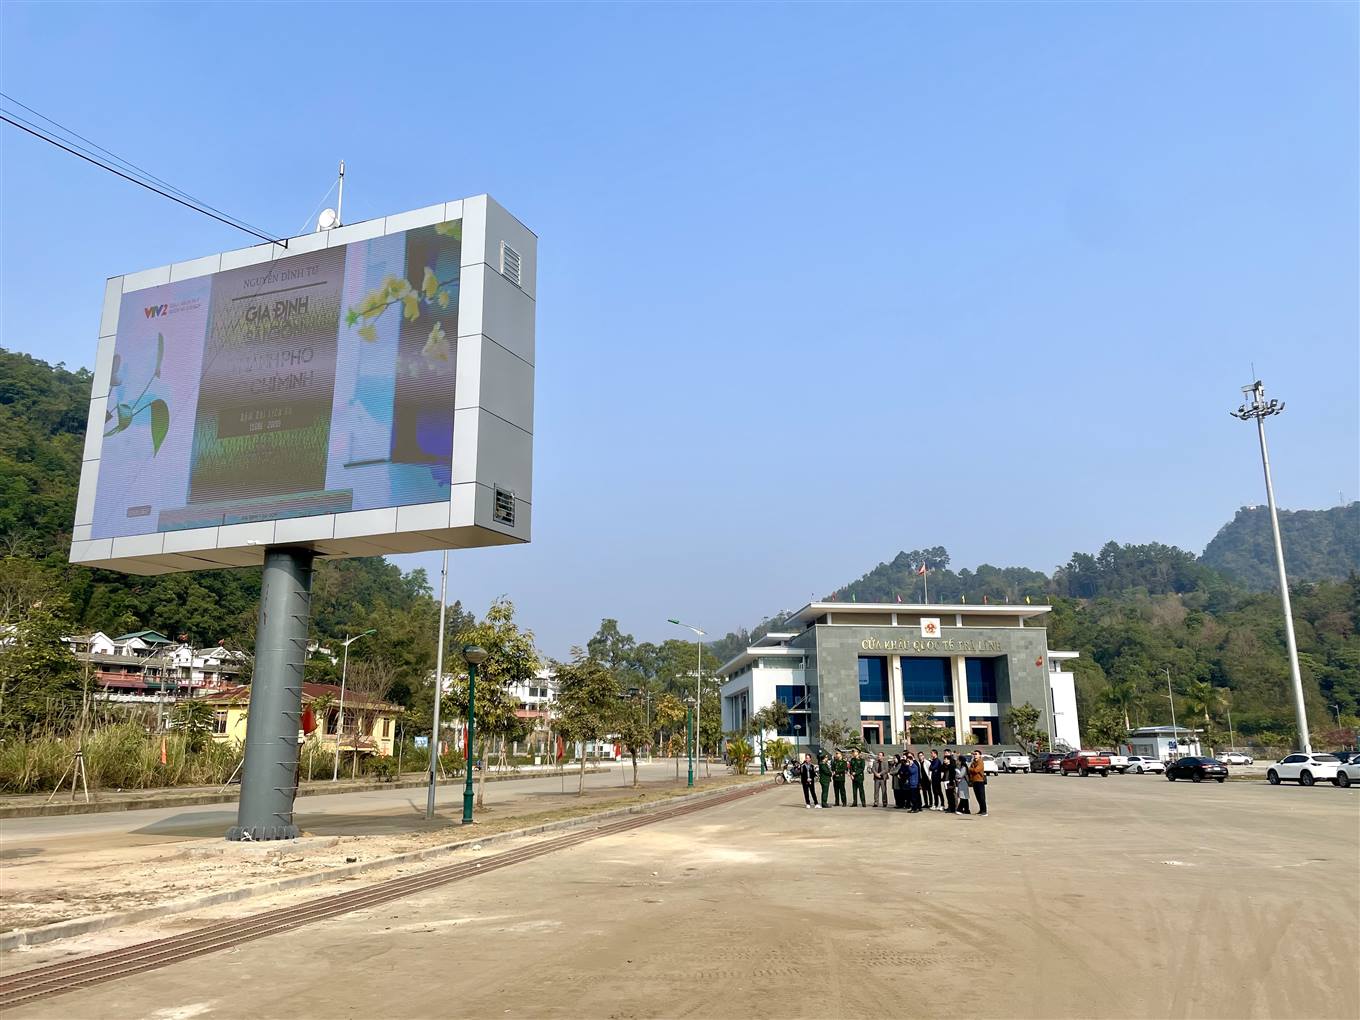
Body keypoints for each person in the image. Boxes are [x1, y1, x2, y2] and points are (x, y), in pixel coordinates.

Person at [969, 749, 989, 816]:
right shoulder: (973, 762)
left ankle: (984, 811)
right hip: (974, 781)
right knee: (977, 796)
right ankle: (981, 810)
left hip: (980, 781)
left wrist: (971, 769)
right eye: (974, 754)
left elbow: (976, 770)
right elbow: (971, 769)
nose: (975, 755)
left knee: (981, 796)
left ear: (980, 755)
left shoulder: (980, 762)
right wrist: (971, 769)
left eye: (976, 754)